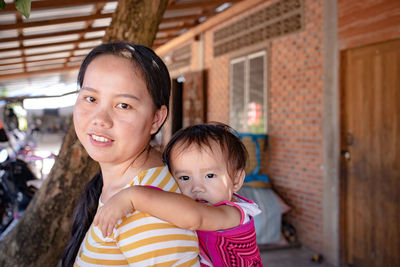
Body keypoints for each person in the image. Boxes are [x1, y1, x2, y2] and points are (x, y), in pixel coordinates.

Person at [61, 42, 199, 266]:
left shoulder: (149, 214)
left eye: (123, 105)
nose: (100, 119)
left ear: (156, 119)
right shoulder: (124, 187)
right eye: (91, 98)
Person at [94, 123, 263, 266]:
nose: (197, 187)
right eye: (184, 177)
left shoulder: (233, 214)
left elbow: (195, 217)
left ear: (236, 180)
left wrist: (132, 197)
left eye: (210, 176)